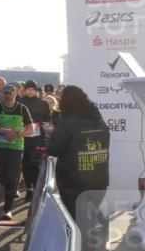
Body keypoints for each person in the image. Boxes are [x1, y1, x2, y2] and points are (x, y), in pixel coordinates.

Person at [47, 85, 110, 217]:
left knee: (76, 221)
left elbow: (54, 149)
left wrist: (51, 134)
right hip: (99, 180)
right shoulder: (99, 120)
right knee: (89, 218)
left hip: (73, 182)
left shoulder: (67, 122)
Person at [0, 85, 34, 220]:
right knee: (1, 176)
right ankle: (9, 188)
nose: (7, 96)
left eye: (10, 94)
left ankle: (7, 209)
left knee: (11, 178)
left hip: (16, 148)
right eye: (5, 93)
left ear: (16, 94)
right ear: (2, 94)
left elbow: (31, 129)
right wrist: (2, 130)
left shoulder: (22, 108)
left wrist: (17, 133)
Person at [19, 80, 52, 201]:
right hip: (23, 136)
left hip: (38, 138)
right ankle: (29, 190)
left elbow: (48, 120)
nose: (30, 91)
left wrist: (48, 133)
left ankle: (37, 189)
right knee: (26, 164)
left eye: (32, 89)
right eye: (28, 89)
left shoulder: (43, 103)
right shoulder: (19, 101)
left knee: (35, 164)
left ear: (36, 90)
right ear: (25, 90)